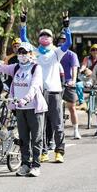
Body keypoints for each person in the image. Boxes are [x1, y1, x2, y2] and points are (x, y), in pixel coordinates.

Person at [20, 10, 72, 163]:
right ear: (39, 38)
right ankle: (43, 152)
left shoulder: (57, 52)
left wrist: (66, 25)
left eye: (48, 35)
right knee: (40, 124)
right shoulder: (34, 52)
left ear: (51, 39)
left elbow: (68, 43)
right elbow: (24, 39)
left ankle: (59, 151)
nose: (45, 37)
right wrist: (23, 23)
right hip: (38, 92)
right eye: (42, 35)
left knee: (57, 123)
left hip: (55, 91)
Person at [0, 42, 47, 177]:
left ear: (31, 54)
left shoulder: (35, 68)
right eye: (19, 52)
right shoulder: (15, 67)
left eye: (24, 52)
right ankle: (25, 164)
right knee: (23, 138)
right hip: (20, 109)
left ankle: (36, 165)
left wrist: (26, 99)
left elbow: (35, 86)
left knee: (36, 138)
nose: (21, 55)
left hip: (34, 108)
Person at [58, 32, 81, 139]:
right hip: (56, 82)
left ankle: (76, 130)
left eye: (64, 41)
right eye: (60, 40)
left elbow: (74, 68)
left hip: (68, 82)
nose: (61, 43)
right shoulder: (54, 53)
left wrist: (73, 80)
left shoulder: (72, 55)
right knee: (52, 108)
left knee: (72, 107)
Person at [76, 44, 97, 109]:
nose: (95, 51)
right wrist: (82, 69)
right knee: (78, 85)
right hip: (87, 80)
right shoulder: (87, 58)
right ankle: (82, 103)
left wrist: (92, 73)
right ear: (90, 51)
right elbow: (84, 65)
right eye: (93, 50)